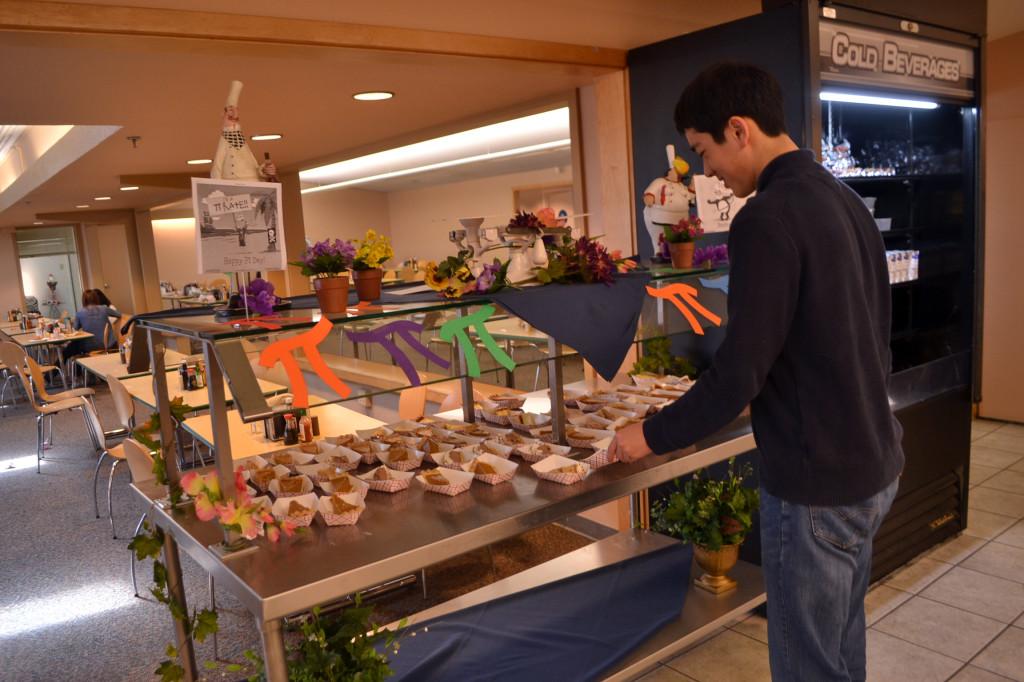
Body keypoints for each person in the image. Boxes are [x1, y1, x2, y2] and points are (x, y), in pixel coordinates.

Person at [608, 63, 904, 682]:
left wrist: (651, 434)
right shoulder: (845, 201)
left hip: (816, 483)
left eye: (704, 149)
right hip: (873, 462)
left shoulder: (767, 217)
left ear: (739, 129)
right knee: (840, 653)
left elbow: (741, 372)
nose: (708, 170)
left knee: (807, 668)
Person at [71, 289, 122, 354]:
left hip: (90, 348)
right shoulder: (104, 308)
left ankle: (62, 363)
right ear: (96, 298)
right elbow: (119, 314)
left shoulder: (80, 313)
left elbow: (75, 329)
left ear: (84, 300)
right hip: (110, 345)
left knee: (73, 345)